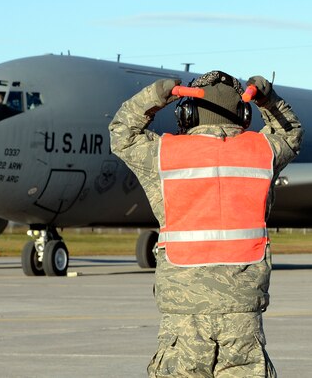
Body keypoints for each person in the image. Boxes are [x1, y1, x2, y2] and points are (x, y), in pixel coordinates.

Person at [110, 70, 302, 377]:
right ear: (242, 115)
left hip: (183, 312)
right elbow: (290, 132)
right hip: (242, 310)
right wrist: (268, 99)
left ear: (187, 114)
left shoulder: (165, 154)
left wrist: (157, 94)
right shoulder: (261, 152)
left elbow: (122, 132)